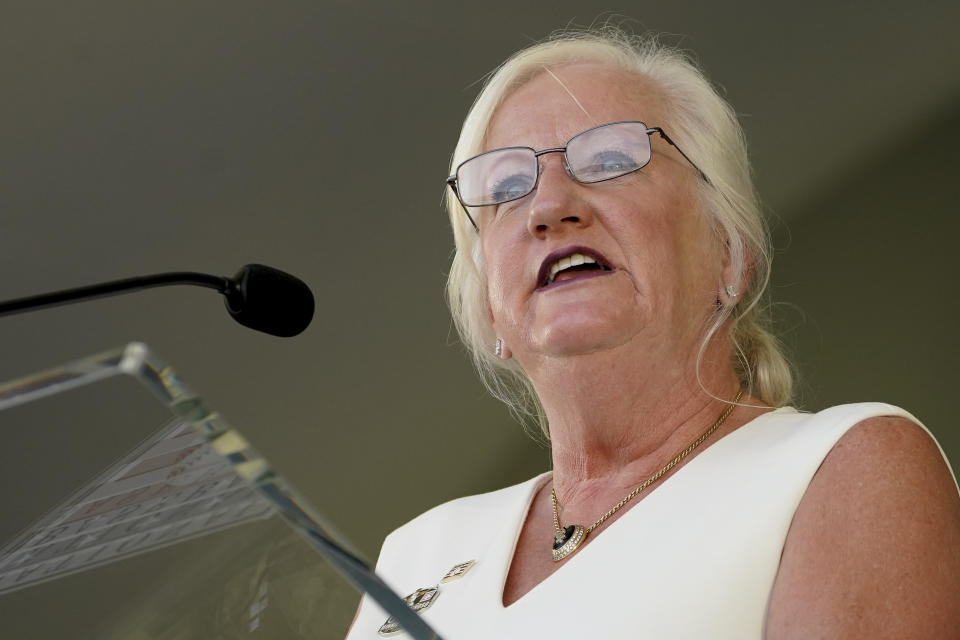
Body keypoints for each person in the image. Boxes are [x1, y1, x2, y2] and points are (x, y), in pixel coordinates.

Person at [347, 29, 960, 638]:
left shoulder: (844, 467)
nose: (549, 206)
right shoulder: (416, 553)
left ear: (728, 255)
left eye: (611, 161)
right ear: (489, 306)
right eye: (506, 189)